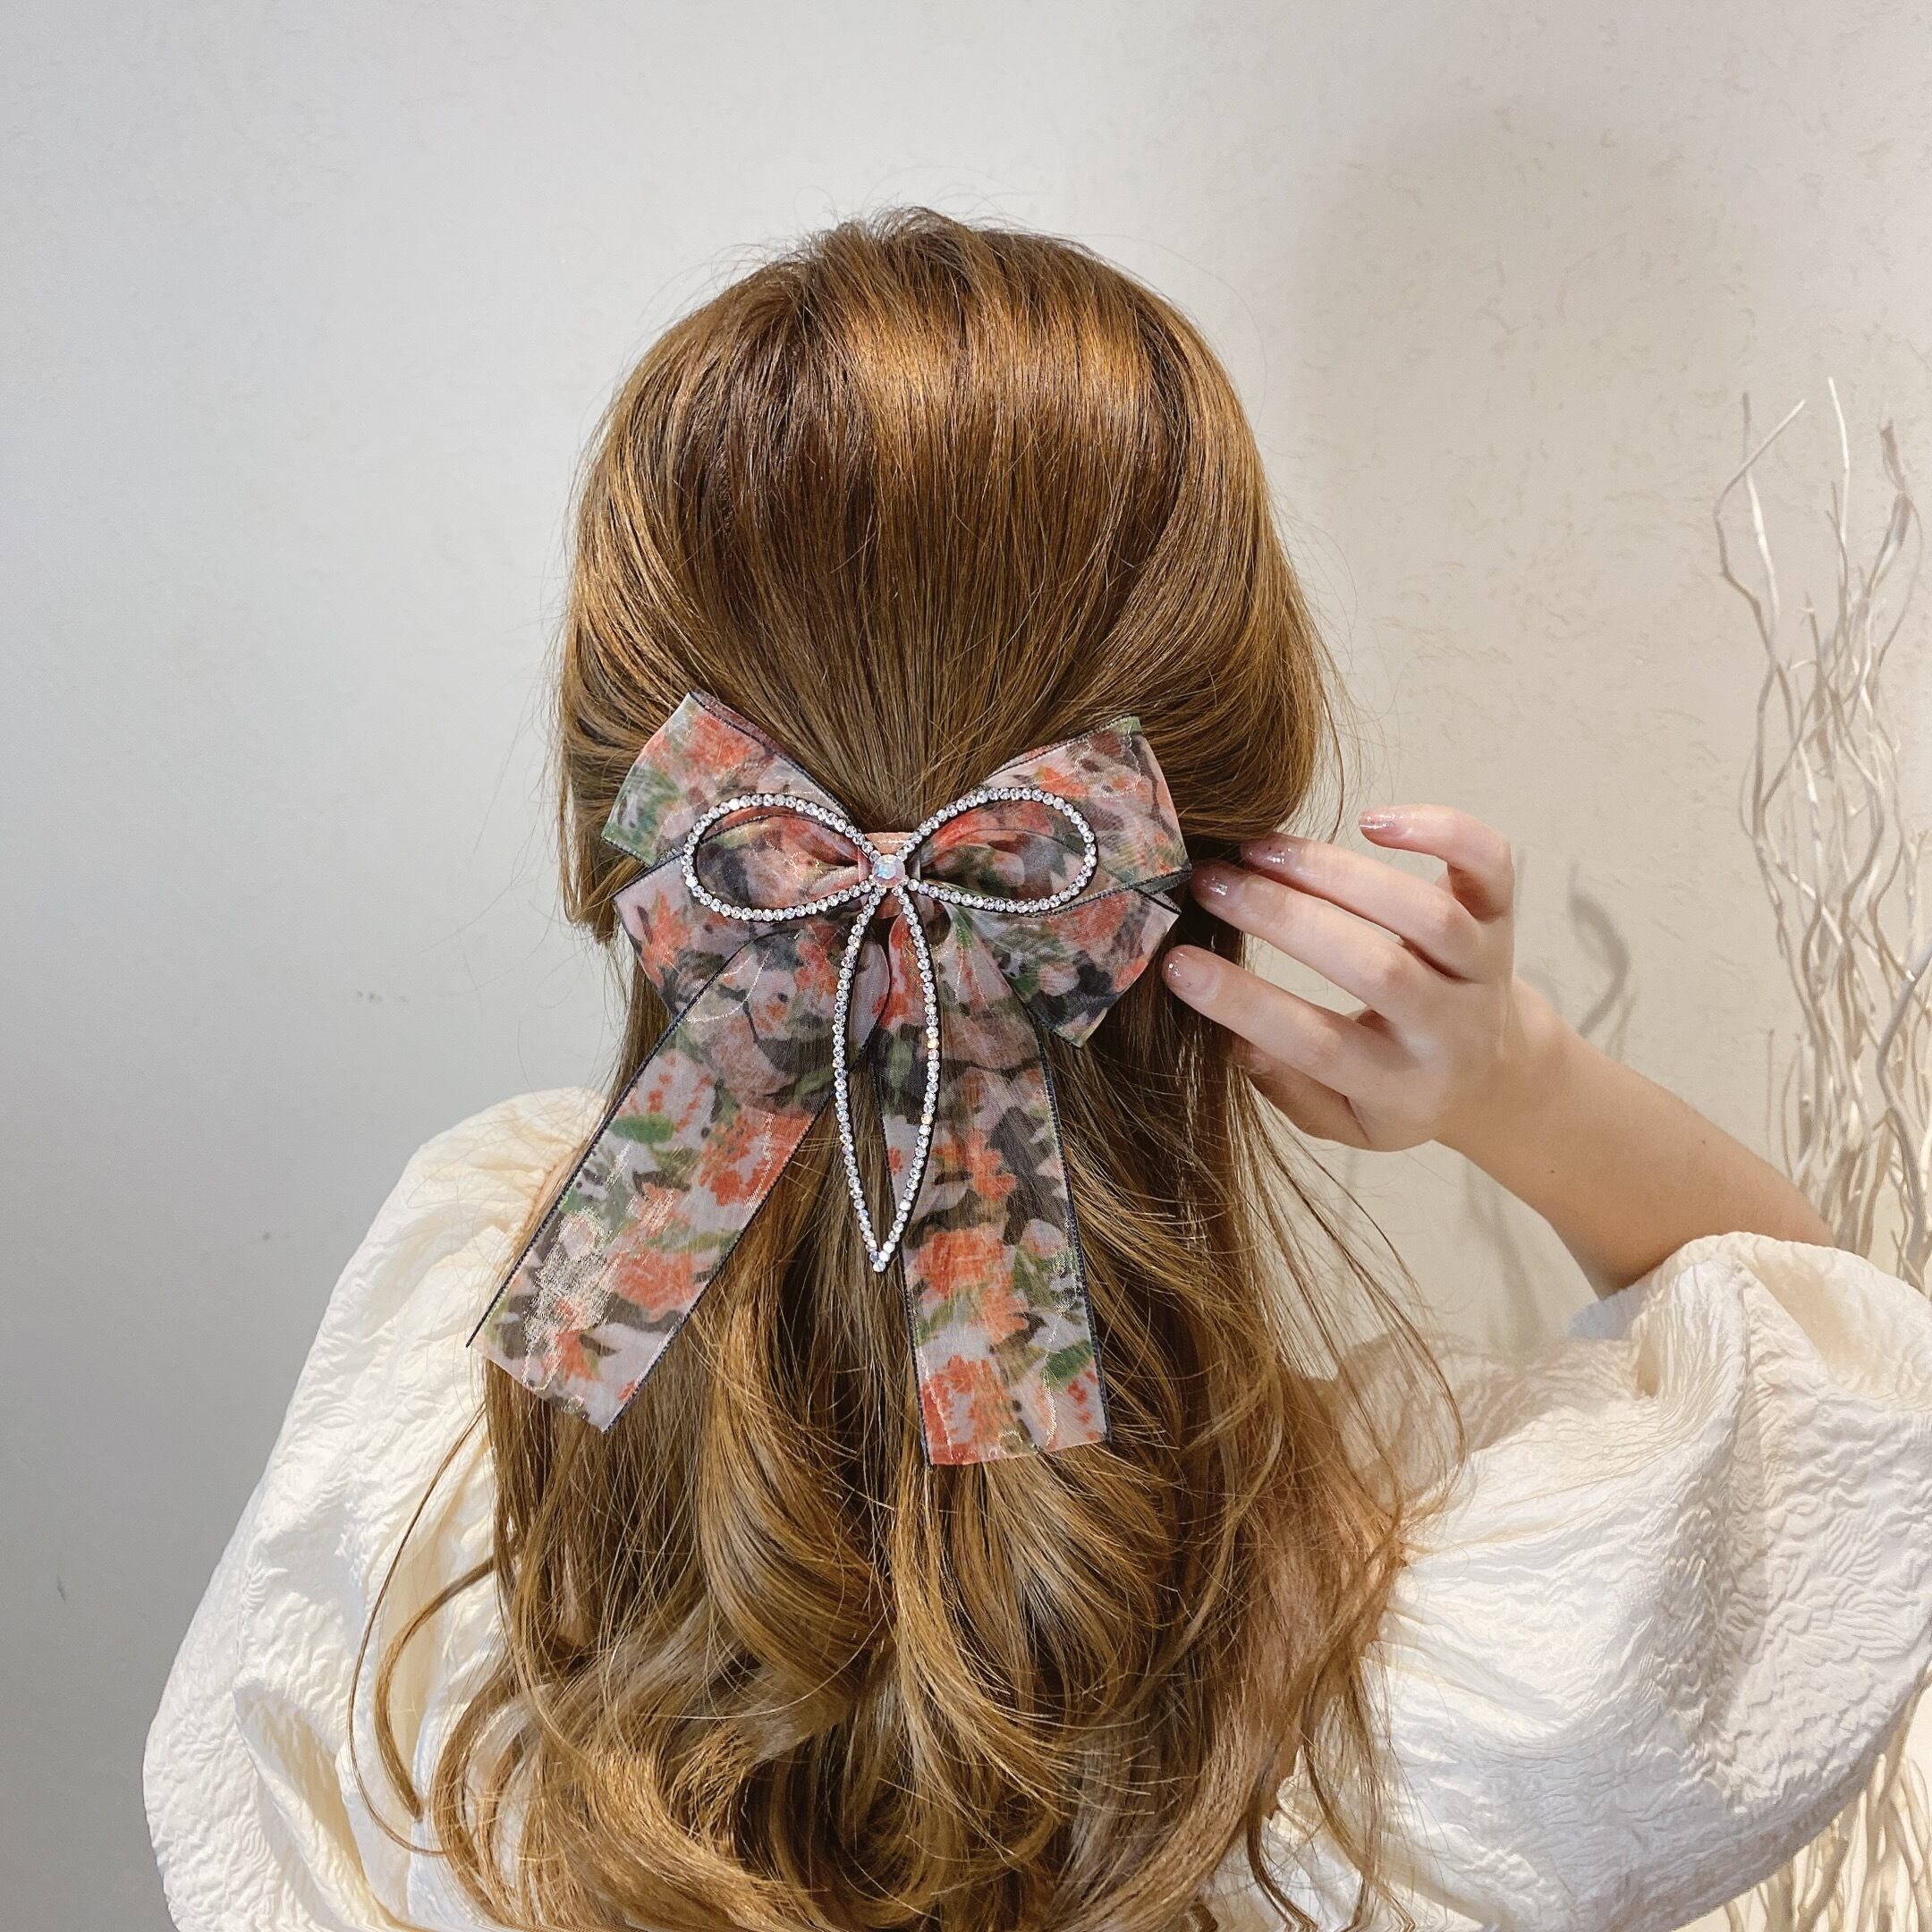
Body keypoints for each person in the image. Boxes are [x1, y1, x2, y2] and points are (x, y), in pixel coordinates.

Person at [145, 210, 1932, 1932]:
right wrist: (1516, 1081)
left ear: (645, 841)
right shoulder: (1425, 1638)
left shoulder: (457, 1421)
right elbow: (1853, 1404)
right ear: (1212, 857)